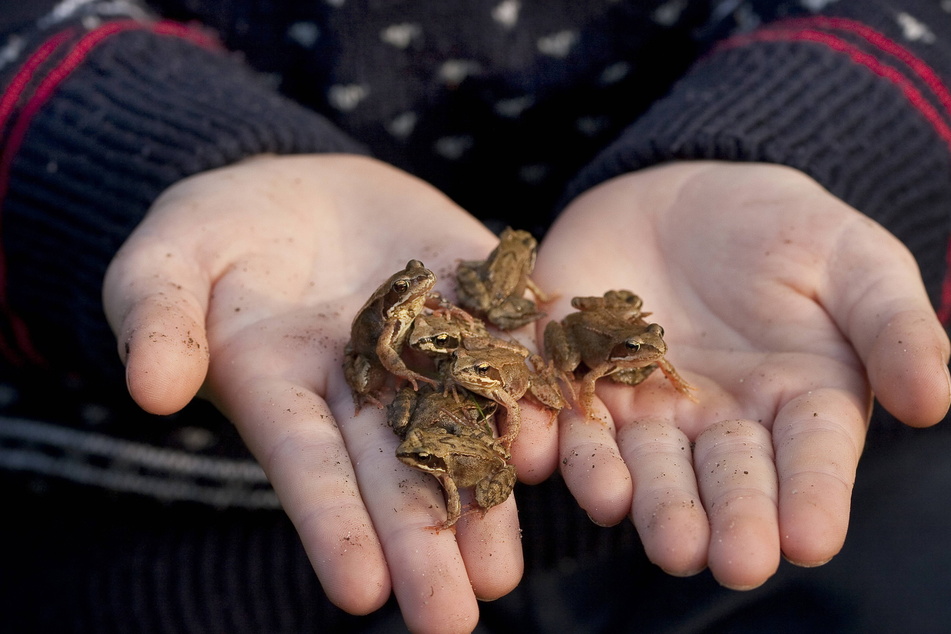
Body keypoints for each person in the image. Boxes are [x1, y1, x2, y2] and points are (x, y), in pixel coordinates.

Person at [1, 0, 950, 631]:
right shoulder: (418, 334)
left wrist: (834, 126)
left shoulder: (550, 326)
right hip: (142, 534)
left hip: (753, 487)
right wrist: (127, 140)